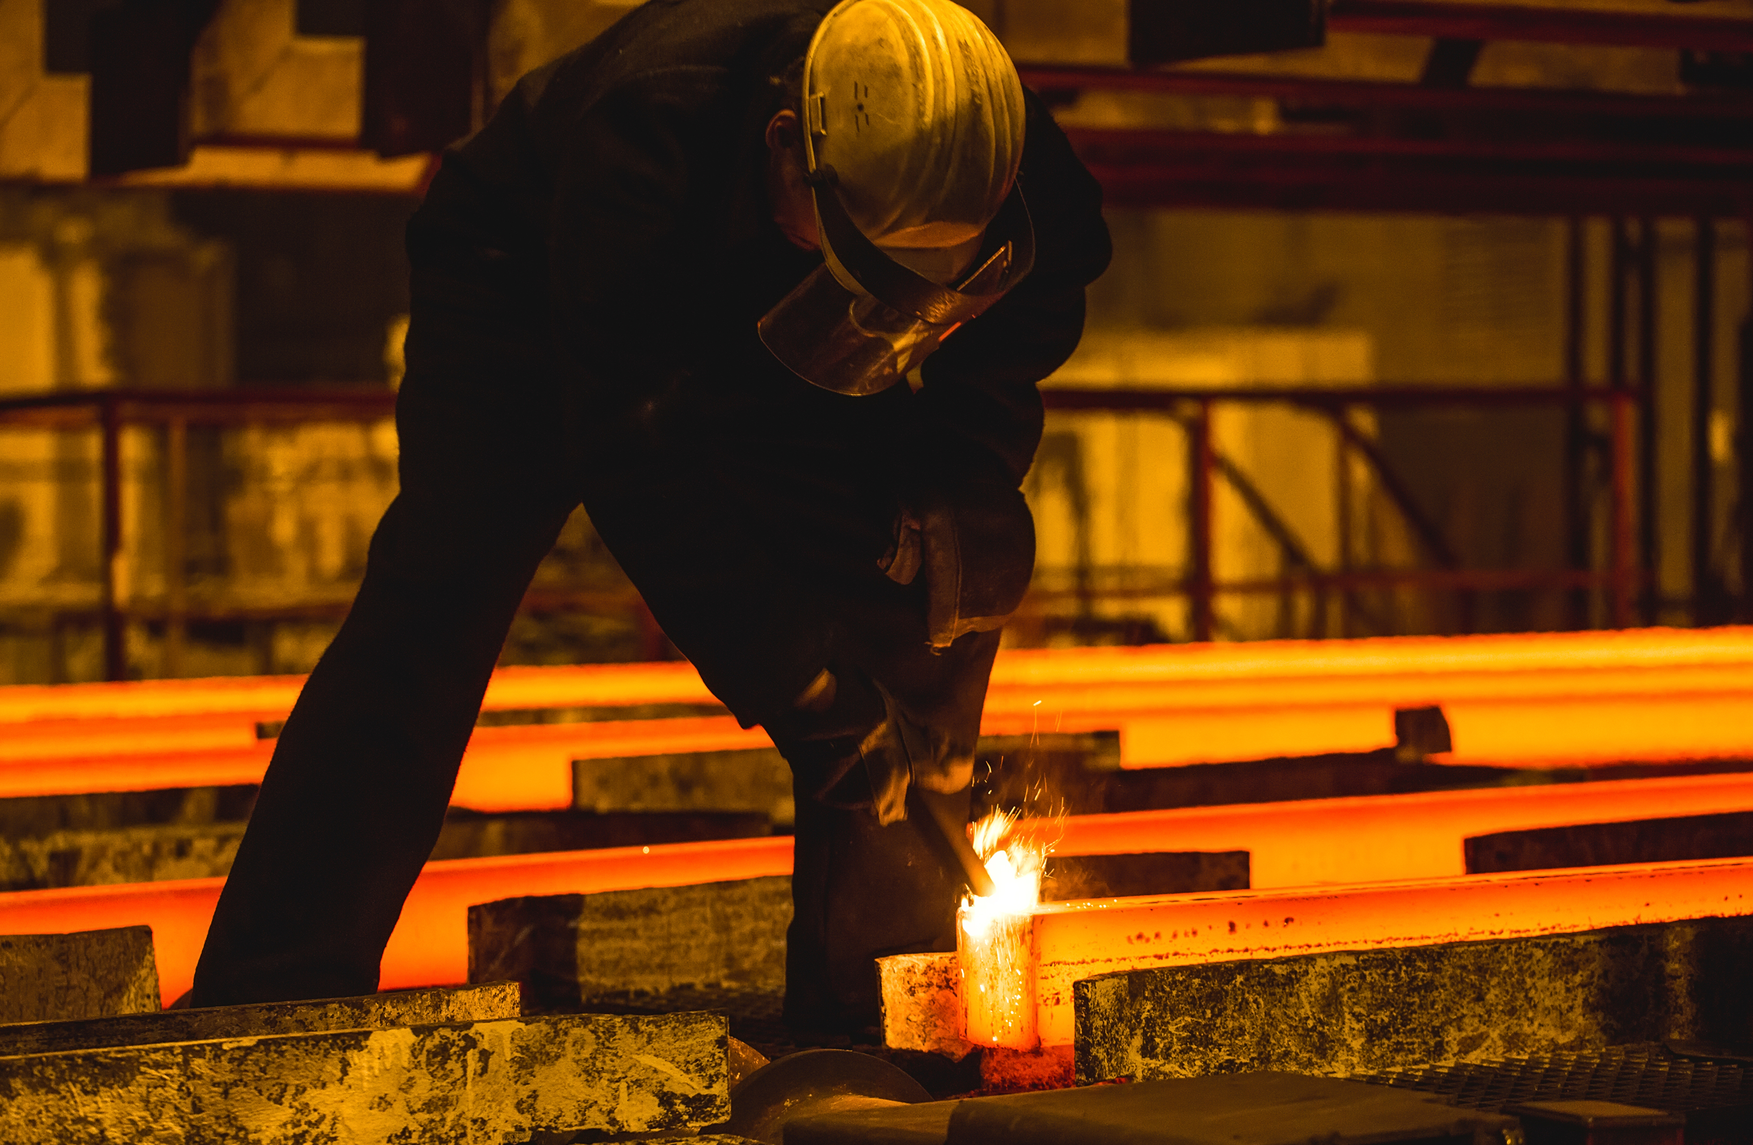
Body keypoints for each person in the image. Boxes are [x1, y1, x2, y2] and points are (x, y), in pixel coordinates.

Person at [188, 0, 1112, 1039]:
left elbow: (1036, 310)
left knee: (901, 598)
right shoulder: (642, 132)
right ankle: (273, 987)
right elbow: (643, 467)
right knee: (435, 606)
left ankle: (876, 1001)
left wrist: (958, 485)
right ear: (787, 155)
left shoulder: (985, 145)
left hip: (777, 297)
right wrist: (800, 685)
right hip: (524, 284)